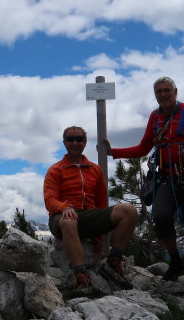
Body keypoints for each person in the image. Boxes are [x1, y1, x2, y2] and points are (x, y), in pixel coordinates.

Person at [105, 76, 184, 302]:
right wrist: (114, 152)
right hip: (166, 178)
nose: (163, 95)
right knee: (161, 217)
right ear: (156, 95)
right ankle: (176, 260)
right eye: (159, 92)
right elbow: (145, 147)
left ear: (175, 91)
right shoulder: (155, 117)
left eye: (167, 90)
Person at [44, 126, 138, 294]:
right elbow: (50, 199)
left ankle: (112, 265)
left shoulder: (95, 169)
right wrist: (64, 207)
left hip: (88, 216)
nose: (75, 143)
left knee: (128, 210)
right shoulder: (55, 170)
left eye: (79, 139)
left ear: (85, 143)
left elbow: (102, 202)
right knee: (69, 220)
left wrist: (100, 236)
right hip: (61, 218)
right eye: (70, 139)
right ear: (64, 143)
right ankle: (81, 276)